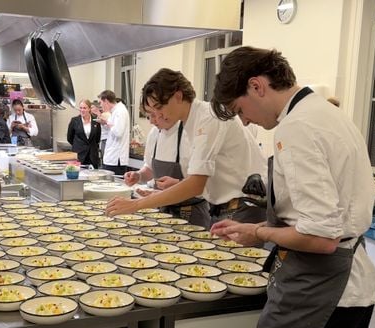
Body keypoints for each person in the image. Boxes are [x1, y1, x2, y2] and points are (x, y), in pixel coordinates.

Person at [209, 46, 375, 328]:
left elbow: (320, 237)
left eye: (241, 110)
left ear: (257, 86)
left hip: (321, 291)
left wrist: (258, 232)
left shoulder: (296, 127)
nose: (247, 121)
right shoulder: (324, 113)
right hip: (349, 288)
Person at [106, 68, 267, 226]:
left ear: (178, 95)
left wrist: (135, 205)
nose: (157, 116)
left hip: (242, 207)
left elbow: (196, 184)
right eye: (152, 111)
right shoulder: (192, 121)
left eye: (159, 107)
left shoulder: (208, 117)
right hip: (224, 207)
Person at [123, 104, 210, 227]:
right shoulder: (154, 134)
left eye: (154, 115)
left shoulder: (188, 133)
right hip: (162, 209)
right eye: (148, 117)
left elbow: (202, 182)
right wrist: (138, 175)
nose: (152, 121)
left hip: (189, 211)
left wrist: (178, 183)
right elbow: (149, 169)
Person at [97, 90, 130, 175]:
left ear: (106, 101)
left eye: (101, 103)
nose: (100, 105)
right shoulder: (115, 111)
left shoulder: (120, 111)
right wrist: (105, 123)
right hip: (111, 157)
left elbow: (118, 132)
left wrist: (107, 121)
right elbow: (111, 130)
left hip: (116, 159)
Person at [67, 99, 101, 168]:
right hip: (79, 155)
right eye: (81, 108)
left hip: (92, 156)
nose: (82, 110)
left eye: (84, 108)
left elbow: (97, 138)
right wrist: (79, 145)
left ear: (89, 109)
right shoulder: (74, 121)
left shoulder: (96, 121)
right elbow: (70, 138)